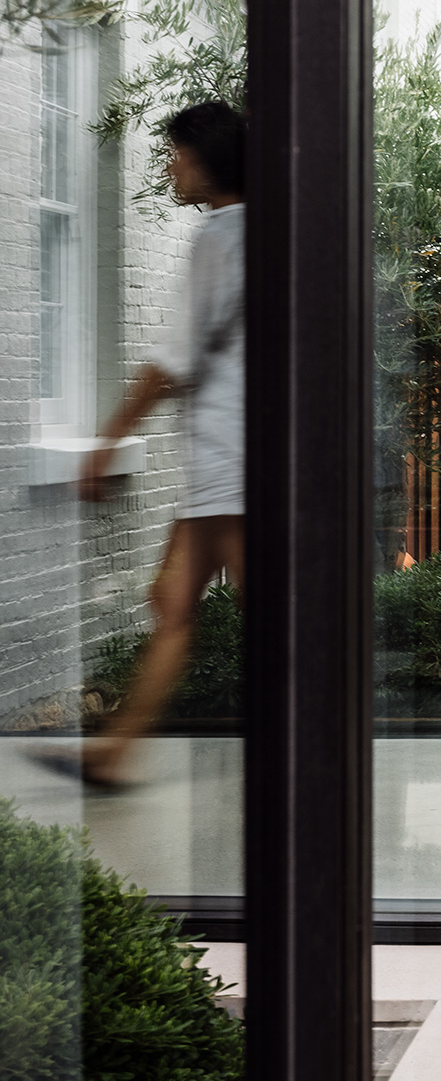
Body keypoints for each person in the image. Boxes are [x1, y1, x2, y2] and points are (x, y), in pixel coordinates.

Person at [73, 101, 246, 788]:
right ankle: (115, 755)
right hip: (219, 463)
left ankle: (309, 758)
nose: (171, 164)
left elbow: (174, 359)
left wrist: (107, 441)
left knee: (262, 620)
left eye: (176, 151)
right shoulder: (248, 233)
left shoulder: (224, 235)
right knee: (171, 602)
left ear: (207, 159)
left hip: (235, 461)